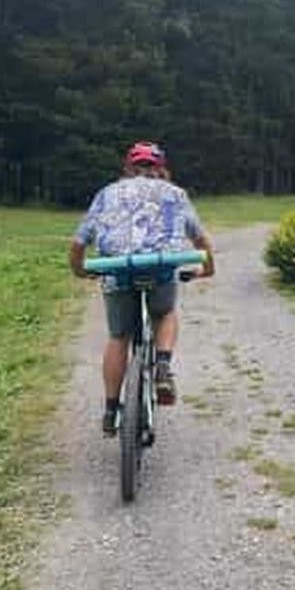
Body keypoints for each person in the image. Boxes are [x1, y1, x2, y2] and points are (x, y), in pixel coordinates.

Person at [69, 142, 215, 435]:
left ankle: (111, 409)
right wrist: (206, 269)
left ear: (127, 168)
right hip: (160, 268)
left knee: (119, 335)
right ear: (161, 168)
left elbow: (77, 244)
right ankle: (162, 366)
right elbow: (201, 241)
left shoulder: (107, 193)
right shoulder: (175, 194)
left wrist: (81, 269)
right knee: (165, 312)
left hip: (117, 271)